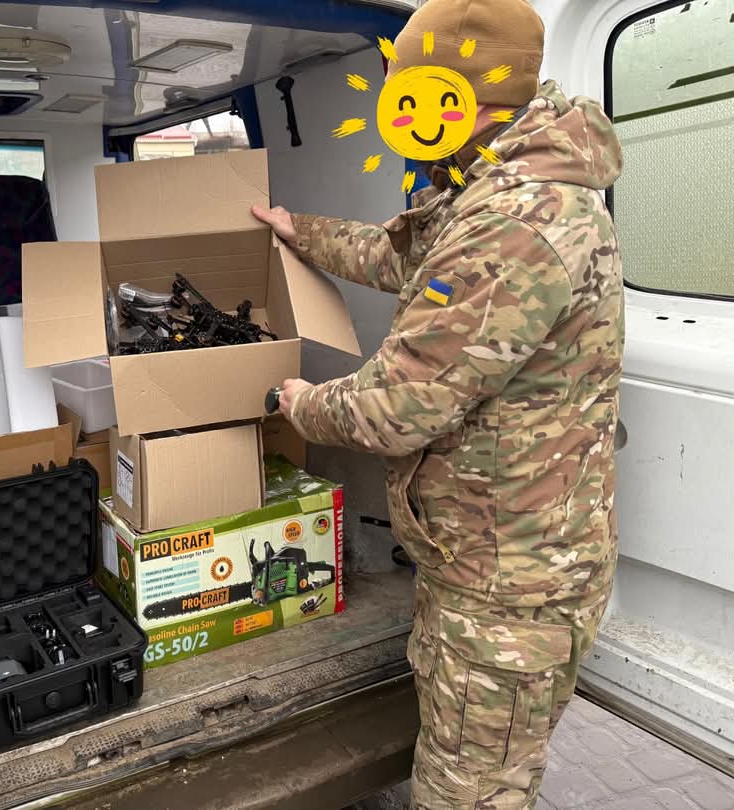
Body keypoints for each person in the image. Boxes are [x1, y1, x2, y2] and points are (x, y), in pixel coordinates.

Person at [252, 1, 624, 807]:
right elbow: (400, 256)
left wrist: (297, 402)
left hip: (508, 585)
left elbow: (397, 407)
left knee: (470, 792)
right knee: (474, 769)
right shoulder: (491, 186)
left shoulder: (516, 220)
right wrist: (295, 229)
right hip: (485, 557)